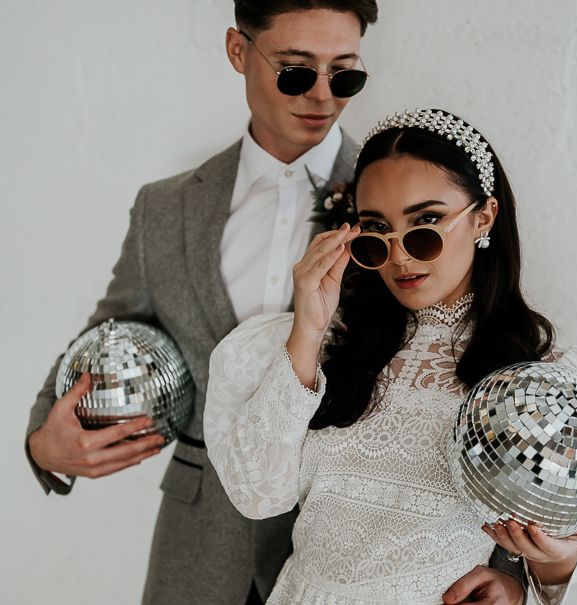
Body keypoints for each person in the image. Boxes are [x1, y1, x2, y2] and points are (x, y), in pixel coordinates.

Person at [23, 4, 525, 604]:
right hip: (199, 548)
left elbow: (481, 374)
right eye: (294, 71)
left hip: (360, 562)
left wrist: (512, 571)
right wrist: (42, 443)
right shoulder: (166, 208)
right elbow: (108, 332)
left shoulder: (406, 196)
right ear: (239, 51)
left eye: (344, 75)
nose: (321, 96)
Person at [203, 108, 577, 604]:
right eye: (377, 230)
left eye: (426, 224)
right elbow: (258, 494)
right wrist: (308, 329)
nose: (400, 256)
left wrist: (537, 567)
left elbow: (555, 550)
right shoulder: (323, 346)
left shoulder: (542, 378)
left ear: (484, 216)